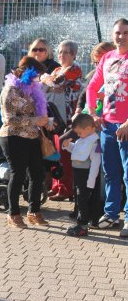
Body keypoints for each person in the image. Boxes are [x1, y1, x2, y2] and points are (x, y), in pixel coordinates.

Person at [86, 18, 128, 235]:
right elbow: (92, 87)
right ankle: (111, 215)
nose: (120, 36)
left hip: (126, 126)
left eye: (125, 33)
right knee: (110, 173)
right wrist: (93, 113)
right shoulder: (108, 58)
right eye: (117, 33)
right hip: (108, 125)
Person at [0, 56, 49, 229]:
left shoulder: (32, 89)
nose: (38, 79)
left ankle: (34, 211)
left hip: (32, 136)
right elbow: (9, 119)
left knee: (37, 173)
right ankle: (13, 213)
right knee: (18, 174)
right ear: (27, 72)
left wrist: (45, 121)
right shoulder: (10, 89)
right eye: (36, 75)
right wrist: (35, 120)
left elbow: (37, 112)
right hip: (13, 136)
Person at [41, 40, 83, 202]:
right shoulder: (58, 69)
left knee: (65, 153)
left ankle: (66, 189)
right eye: (60, 52)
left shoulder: (74, 69)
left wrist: (50, 81)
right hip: (55, 115)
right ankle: (56, 185)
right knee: (55, 151)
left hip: (67, 117)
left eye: (66, 52)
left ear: (73, 55)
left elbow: (56, 82)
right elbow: (44, 81)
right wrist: (49, 81)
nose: (62, 55)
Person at [62, 114, 101, 237]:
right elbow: (77, 151)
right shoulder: (82, 139)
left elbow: (96, 163)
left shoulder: (94, 142)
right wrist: (68, 146)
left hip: (87, 176)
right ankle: (83, 222)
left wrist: (91, 181)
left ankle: (83, 224)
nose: (78, 135)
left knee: (83, 199)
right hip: (79, 174)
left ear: (89, 128)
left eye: (79, 132)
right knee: (79, 198)